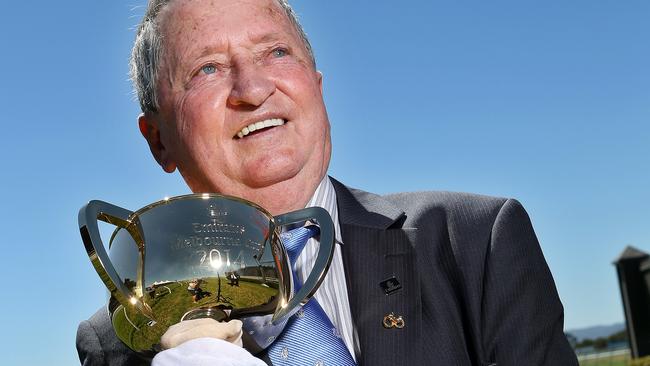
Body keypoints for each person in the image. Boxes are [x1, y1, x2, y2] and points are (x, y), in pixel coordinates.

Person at [76, 0, 578, 365]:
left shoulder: (474, 243)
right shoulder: (116, 346)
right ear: (157, 139)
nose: (253, 89)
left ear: (316, 87)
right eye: (206, 68)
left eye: (275, 53)